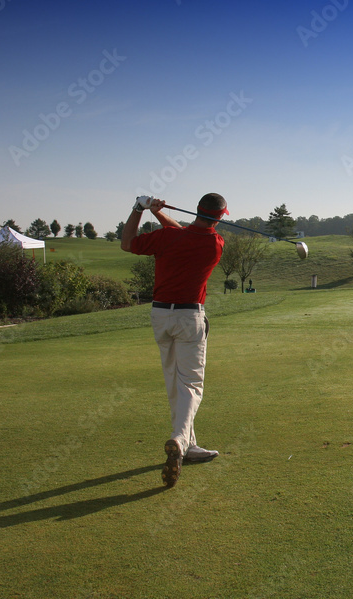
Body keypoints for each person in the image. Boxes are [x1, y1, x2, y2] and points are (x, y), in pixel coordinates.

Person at [121, 194, 227, 488]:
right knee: (191, 385)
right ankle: (180, 440)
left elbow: (128, 242)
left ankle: (190, 446)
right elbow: (186, 236)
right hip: (189, 317)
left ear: (197, 211)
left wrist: (140, 210)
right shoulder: (215, 244)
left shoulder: (169, 238)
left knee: (173, 382)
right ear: (219, 217)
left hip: (160, 315)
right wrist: (158, 214)